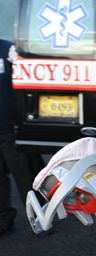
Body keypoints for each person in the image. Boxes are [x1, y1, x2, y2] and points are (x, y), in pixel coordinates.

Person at [0, 39, 41, 235]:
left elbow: (27, 82)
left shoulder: (9, 50)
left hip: (12, 128)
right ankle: (4, 220)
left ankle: (41, 217)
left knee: (26, 177)